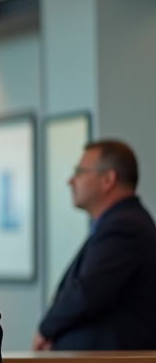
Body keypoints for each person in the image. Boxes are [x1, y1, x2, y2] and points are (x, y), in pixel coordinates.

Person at [33, 140, 156, 351]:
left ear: (108, 179)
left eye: (80, 172)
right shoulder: (118, 222)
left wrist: (45, 330)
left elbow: (87, 294)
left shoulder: (124, 227)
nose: (70, 181)